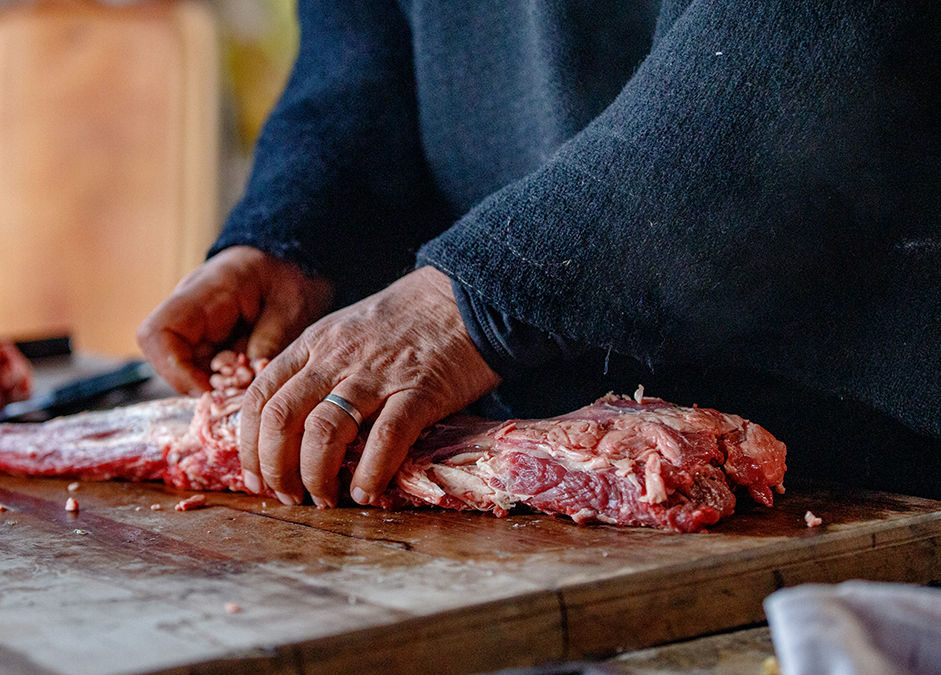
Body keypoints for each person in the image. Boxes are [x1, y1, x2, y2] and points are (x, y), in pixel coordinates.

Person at [138, 0, 941, 509]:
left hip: (854, 472)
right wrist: (297, 231)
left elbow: (805, 44)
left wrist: (477, 300)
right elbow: (364, 38)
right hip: (514, 461)